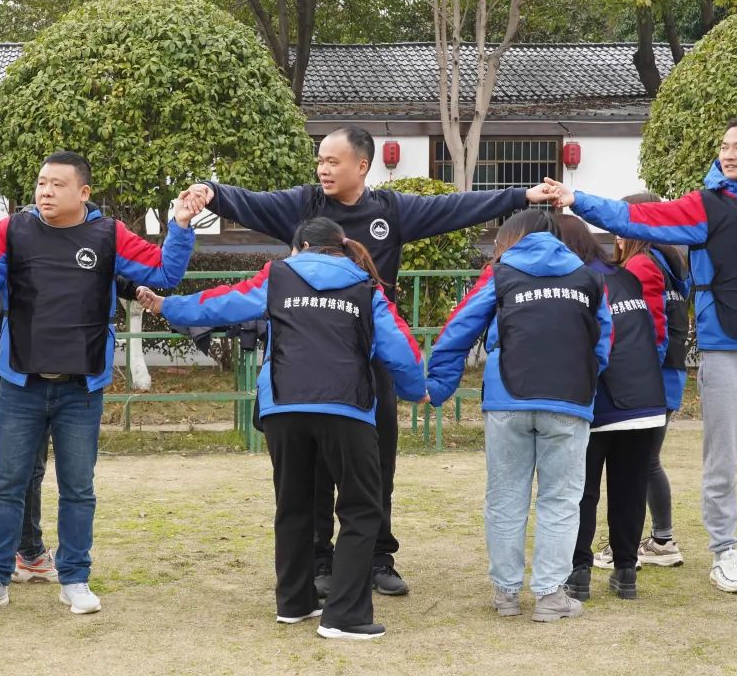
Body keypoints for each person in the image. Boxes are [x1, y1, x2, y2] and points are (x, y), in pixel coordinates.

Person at [178, 126, 555, 596]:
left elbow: (454, 207)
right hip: (310, 359)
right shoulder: (304, 205)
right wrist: (211, 193)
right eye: (320, 160)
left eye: (332, 161)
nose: (323, 169)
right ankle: (320, 560)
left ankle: (378, 557)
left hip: (371, 359)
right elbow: (252, 202)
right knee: (315, 467)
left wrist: (519, 195)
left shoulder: (390, 210)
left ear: (362, 166)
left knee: (377, 463)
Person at [545, 115, 737, 594]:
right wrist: (578, 199)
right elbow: (635, 218)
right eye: (725, 146)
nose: (729, 153)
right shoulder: (703, 207)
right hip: (725, 350)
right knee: (722, 462)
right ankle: (725, 553)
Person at [137, 217, 426, 640]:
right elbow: (399, 347)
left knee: (294, 504)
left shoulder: (277, 276)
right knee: (361, 509)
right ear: (340, 247)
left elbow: (223, 303)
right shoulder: (366, 287)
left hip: (284, 405)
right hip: (347, 406)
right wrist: (417, 389)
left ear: (302, 245)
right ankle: (345, 616)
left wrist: (167, 306)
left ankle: (295, 602)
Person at [0, 150, 196, 616]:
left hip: (81, 388)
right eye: (42, 183)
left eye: (57, 184)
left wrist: (180, 224)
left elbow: (165, 272)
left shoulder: (109, 234)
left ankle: (75, 577)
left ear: (83, 192)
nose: (45, 191)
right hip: (21, 382)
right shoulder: (12, 230)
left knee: (78, 488)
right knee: (7, 485)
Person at [426, 209, 611, 622]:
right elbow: (602, 343)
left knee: (505, 497)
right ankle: (550, 596)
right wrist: (587, 375)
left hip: (507, 397)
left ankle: (506, 594)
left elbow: (458, 329)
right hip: (569, 398)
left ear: (514, 237)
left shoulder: (499, 275)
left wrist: (438, 386)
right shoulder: (589, 278)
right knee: (561, 499)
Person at [556, 215, 667, 602]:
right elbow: (653, 336)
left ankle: (579, 572)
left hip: (601, 401)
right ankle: (625, 572)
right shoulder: (626, 277)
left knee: (581, 490)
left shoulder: (576, 282)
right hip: (647, 400)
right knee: (630, 489)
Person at [594, 202, 691, 570]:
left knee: (641, 463)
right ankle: (659, 539)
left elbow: (651, 329)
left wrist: (639, 374)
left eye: (621, 227)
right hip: (665, 376)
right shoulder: (668, 262)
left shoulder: (642, 265)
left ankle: (653, 542)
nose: (615, 236)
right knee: (646, 461)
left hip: (652, 379)